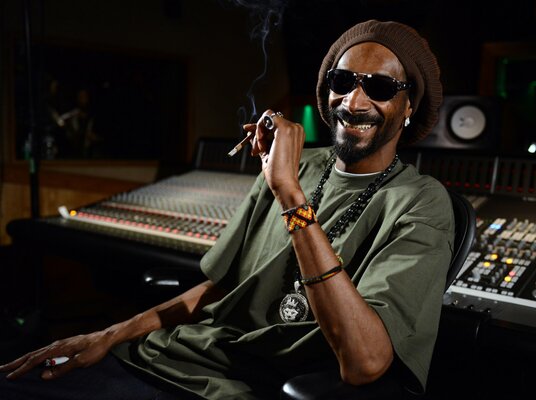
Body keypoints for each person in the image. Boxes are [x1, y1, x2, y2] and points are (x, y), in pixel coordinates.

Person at [0, 20, 452, 399]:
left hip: (227, 388)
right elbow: (220, 289)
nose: (353, 102)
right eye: (342, 81)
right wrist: (108, 334)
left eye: (379, 87)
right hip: (160, 357)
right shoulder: (294, 166)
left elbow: (365, 362)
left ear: (409, 106)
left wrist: (290, 195)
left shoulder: (421, 202)